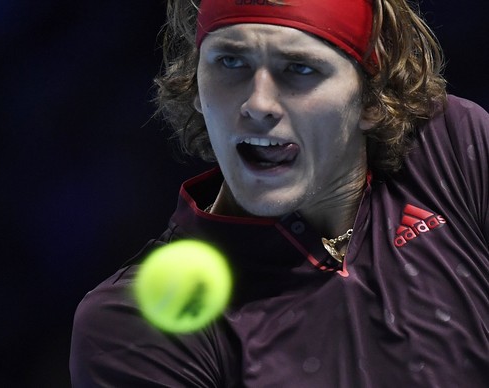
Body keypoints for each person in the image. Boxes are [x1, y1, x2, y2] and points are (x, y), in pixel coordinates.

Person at [70, 0, 489, 386]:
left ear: (371, 100)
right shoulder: (137, 323)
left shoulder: (452, 146)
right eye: (231, 61)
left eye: (299, 68)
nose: (259, 104)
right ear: (195, 87)